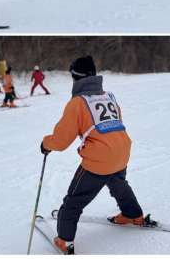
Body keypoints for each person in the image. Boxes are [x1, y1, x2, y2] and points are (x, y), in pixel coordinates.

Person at [41, 55, 147, 254]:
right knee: (118, 184)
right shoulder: (109, 97)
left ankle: (65, 239)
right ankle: (133, 214)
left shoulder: (77, 103)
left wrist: (46, 144)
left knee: (74, 200)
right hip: (121, 151)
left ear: (76, 78)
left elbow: (61, 141)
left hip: (99, 159)